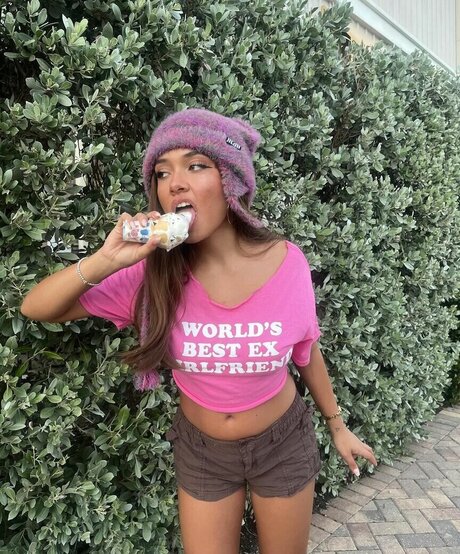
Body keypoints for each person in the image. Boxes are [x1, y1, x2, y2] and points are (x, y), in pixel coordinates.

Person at [21, 108, 377, 554]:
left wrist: (337, 425)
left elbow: (306, 349)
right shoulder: (150, 274)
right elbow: (36, 307)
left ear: (230, 181)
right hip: (203, 450)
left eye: (195, 166)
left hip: (282, 440)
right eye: (162, 172)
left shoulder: (287, 262)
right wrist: (105, 261)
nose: (175, 184)